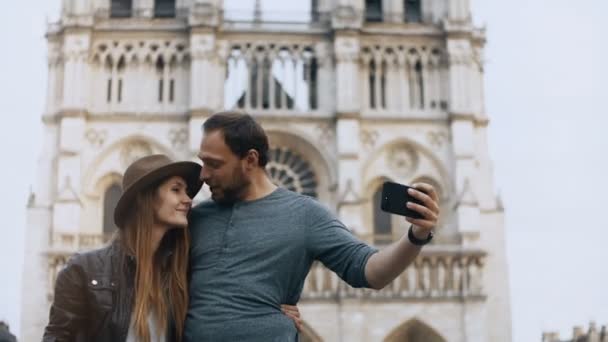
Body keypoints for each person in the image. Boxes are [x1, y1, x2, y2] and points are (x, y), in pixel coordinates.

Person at [184, 112, 440, 341]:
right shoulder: (195, 217)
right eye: (203, 162)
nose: (203, 175)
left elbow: (370, 271)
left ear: (250, 160)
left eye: (214, 164)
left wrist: (416, 235)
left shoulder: (306, 214)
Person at [43, 154, 302, 342]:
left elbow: (228, 319)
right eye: (176, 190)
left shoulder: (185, 274)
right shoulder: (83, 271)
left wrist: (272, 315)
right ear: (146, 199)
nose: (188, 199)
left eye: (187, 191)